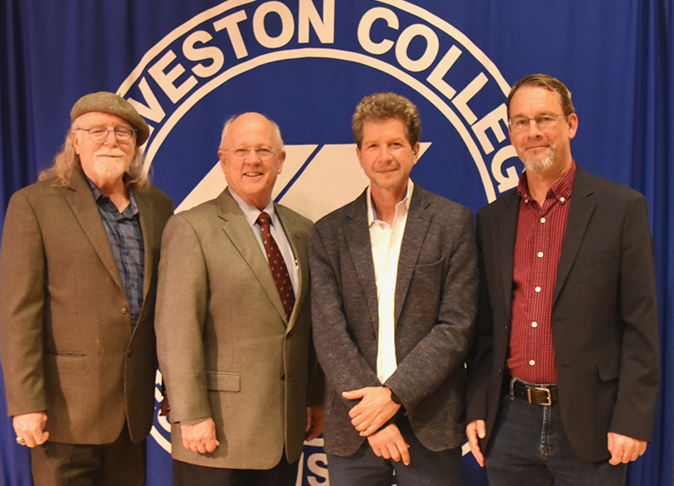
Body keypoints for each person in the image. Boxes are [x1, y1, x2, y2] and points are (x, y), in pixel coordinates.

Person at [465, 74, 660, 485]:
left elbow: (641, 326)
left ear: (571, 124)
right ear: (510, 133)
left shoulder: (621, 209)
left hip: (593, 422)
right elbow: (485, 333)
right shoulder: (492, 219)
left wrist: (632, 419)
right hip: (509, 424)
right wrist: (478, 407)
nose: (533, 132)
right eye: (520, 121)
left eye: (544, 119)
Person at [0, 91, 174, 485]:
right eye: (97, 130)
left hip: (132, 413)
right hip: (64, 417)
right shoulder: (34, 205)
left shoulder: (159, 208)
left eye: (122, 133)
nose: (110, 140)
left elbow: (168, 307)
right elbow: (18, 312)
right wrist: (26, 403)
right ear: (75, 141)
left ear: (134, 146)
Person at [309, 92, 477, 486]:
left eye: (396, 144)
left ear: (415, 150)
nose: (385, 156)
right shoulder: (328, 233)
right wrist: (372, 411)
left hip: (430, 422)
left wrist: (393, 396)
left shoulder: (452, 224)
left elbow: (457, 326)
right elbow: (329, 330)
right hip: (355, 425)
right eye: (373, 145)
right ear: (359, 154)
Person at [154, 112, 324, 486]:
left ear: (280, 161)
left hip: (283, 433)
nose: (253, 161)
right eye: (242, 150)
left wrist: (314, 398)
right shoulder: (191, 228)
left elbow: (307, 328)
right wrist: (192, 414)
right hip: (215, 435)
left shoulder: (303, 231)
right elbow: (175, 332)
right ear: (222, 159)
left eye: (264, 150)